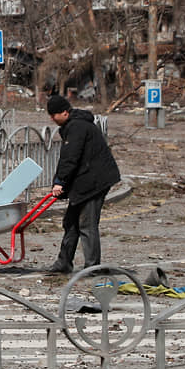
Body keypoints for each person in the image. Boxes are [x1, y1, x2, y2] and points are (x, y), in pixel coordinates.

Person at [44, 95, 120, 274]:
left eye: (54, 114)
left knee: (86, 223)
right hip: (85, 180)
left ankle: (93, 267)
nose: (52, 119)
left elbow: (70, 158)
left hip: (95, 182)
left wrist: (60, 182)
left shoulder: (77, 127)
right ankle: (64, 263)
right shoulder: (73, 125)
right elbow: (72, 160)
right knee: (70, 222)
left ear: (64, 112)